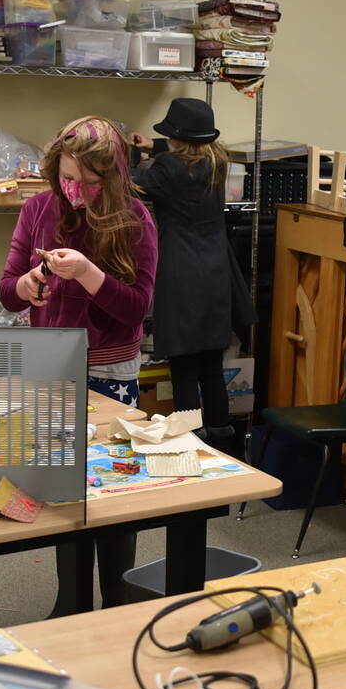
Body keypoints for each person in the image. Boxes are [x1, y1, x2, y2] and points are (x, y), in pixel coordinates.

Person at [0, 115, 158, 605]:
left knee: (112, 494)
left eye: (90, 183)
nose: (76, 191)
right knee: (64, 492)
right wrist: (27, 285)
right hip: (52, 371)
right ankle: (71, 600)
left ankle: (117, 599)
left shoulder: (135, 219)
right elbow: (7, 291)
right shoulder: (38, 208)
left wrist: (89, 273)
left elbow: (137, 308)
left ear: (113, 177)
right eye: (68, 178)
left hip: (110, 373)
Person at [128, 98, 255, 455]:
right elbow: (188, 155)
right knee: (211, 365)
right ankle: (223, 447)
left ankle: (190, 445)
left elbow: (133, 183)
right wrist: (155, 145)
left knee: (183, 365)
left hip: (181, 270)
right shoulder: (218, 162)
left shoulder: (167, 168)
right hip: (216, 269)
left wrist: (137, 154)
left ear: (176, 137)